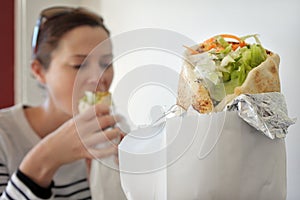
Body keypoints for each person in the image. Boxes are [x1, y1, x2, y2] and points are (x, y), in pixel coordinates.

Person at [0, 6, 125, 199]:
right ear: (39, 71)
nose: (98, 77)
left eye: (105, 63)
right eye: (79, 65)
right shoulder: (4, 136)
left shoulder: (117, 130)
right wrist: (47, 157)